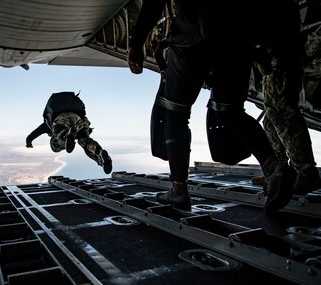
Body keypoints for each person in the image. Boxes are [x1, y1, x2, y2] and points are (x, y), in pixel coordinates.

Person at [127, 0, 296, 212]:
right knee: (231, 112)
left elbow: (154, 3)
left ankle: (178, 190)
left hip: (190, 41)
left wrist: (136, 43)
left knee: (175, 112)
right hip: (235, 40)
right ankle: (274, 169)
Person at [250, 0, 321, 195]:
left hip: (281, 54)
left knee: (284, 114)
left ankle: (306, 172)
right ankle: (278, 171)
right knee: (271, 119)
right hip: (274, 55)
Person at [26, 91, 113, 174]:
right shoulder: (46, 125)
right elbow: (31, 136)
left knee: (57, 141)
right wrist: (28, 141)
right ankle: (100, 154)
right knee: (86, 141)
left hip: (62, 120)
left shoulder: (47, 126)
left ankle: (65, 135)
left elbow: (32, 135)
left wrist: (29, 143)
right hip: (79, 120)